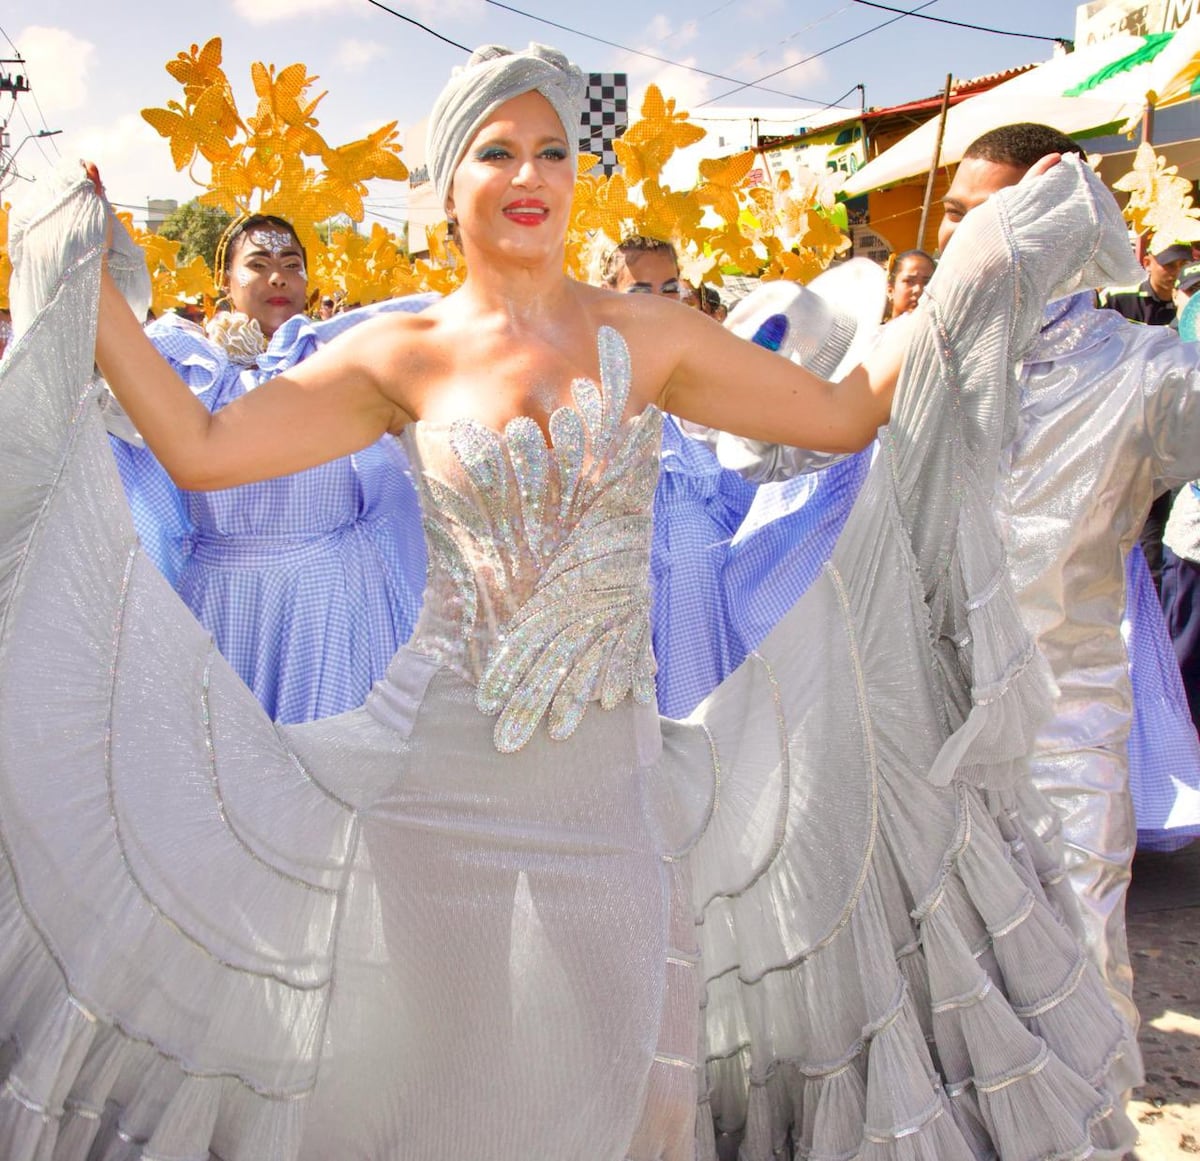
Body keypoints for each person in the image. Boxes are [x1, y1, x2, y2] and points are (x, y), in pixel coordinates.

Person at [0, 50, 1139, 1160]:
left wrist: (970, 271)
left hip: (612, 788)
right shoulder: (395, 351)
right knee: (455, 1059)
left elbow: (840, 416)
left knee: (635, 1064)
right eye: (497, 151)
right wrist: (85, 277)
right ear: (449, 185)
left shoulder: (648, 336)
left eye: (551, 150)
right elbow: (200, 451)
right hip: (434, 781)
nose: (530, 174)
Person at [938, 122, 1200, 1039]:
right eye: (951, 220)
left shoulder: (1145, 370)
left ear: (1051, 223)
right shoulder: (923, 358)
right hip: (926, 738)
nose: (954, 244)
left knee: (1075, 973)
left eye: (981, 218)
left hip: (1063, 736)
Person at [107, 213, 430, 724]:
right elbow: (105, 345)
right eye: (257, 264)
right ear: (225, 282)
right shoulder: (188, 369)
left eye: (291, 264)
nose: (277, 276)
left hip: (330, 599)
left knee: (326, 766)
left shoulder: (343, 359)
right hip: (222, 599)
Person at [599, 234, 754, 716]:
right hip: (620, 587)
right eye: (639, 291)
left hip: (700, 587)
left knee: (704, 729)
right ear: (607, 297)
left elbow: (744, 491)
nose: (659, 303)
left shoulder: (709, 376)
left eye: (669, 288)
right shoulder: (589, 385)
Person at [1098, 240, 1190, 326]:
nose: (1178, 272)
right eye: (1169, 265)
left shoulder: (1194, 300)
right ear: (1147, 263)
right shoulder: (1116, 298)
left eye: (1184, 264)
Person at [882, 248, 934, 321]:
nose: (918, 290)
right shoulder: (876, 332)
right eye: (909, 281)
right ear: (890, 290)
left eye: (926, 282)